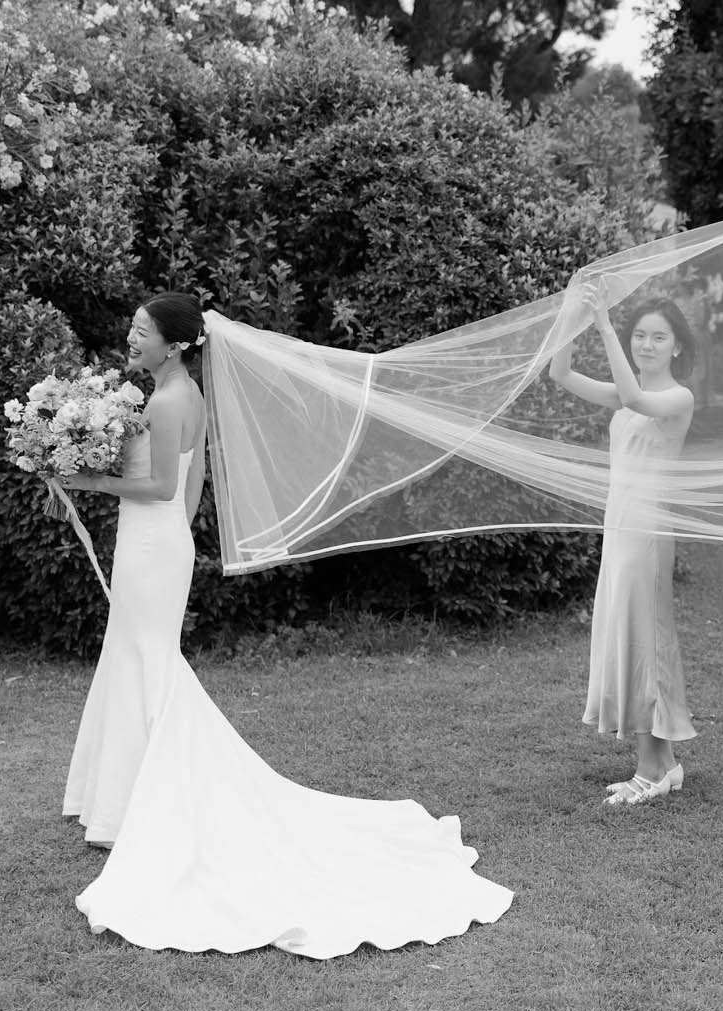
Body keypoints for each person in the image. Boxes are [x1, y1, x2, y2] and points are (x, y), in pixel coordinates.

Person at [57, 293, 513, 956]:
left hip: (150, 546)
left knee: (143, 660)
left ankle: (134, 805)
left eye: (142, 331)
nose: (131, 337)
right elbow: (189, 491)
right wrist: (170, 542)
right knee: (139, 658)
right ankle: (123, 800)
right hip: (162, 548)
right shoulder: (187, 396)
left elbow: (157, 488)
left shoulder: (162, 402)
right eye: (132, 327)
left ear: (177, 344)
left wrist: (84, 483)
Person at [549, 283, 698, 805]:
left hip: (650, 532)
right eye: (640, 335)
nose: (647, 344)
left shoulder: (676, 397)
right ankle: (662, 765)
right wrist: (573, 313)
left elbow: (636, 397)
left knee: (648, 641)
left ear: (677, 346)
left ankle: (652, 771)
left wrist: (605, 323)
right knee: (630, 637)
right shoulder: (626, 392)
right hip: (621, 527)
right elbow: (560, 374)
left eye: (659, 337)